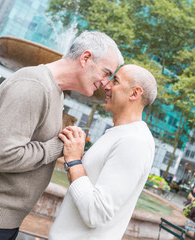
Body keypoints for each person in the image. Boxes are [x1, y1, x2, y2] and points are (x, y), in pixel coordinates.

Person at [0, 31, 124, 240]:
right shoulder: (33, 85)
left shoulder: (54, 90)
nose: (105, 83)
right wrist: (60, 146)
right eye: (106, 72)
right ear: (85, 58)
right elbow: (1, 156)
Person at [49, 64, 157, 240]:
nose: (106, 85)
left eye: (115, 81)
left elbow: (96, 213)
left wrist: (74, 160)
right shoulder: (120, 133)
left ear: (134, 94)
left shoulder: (134, 141)